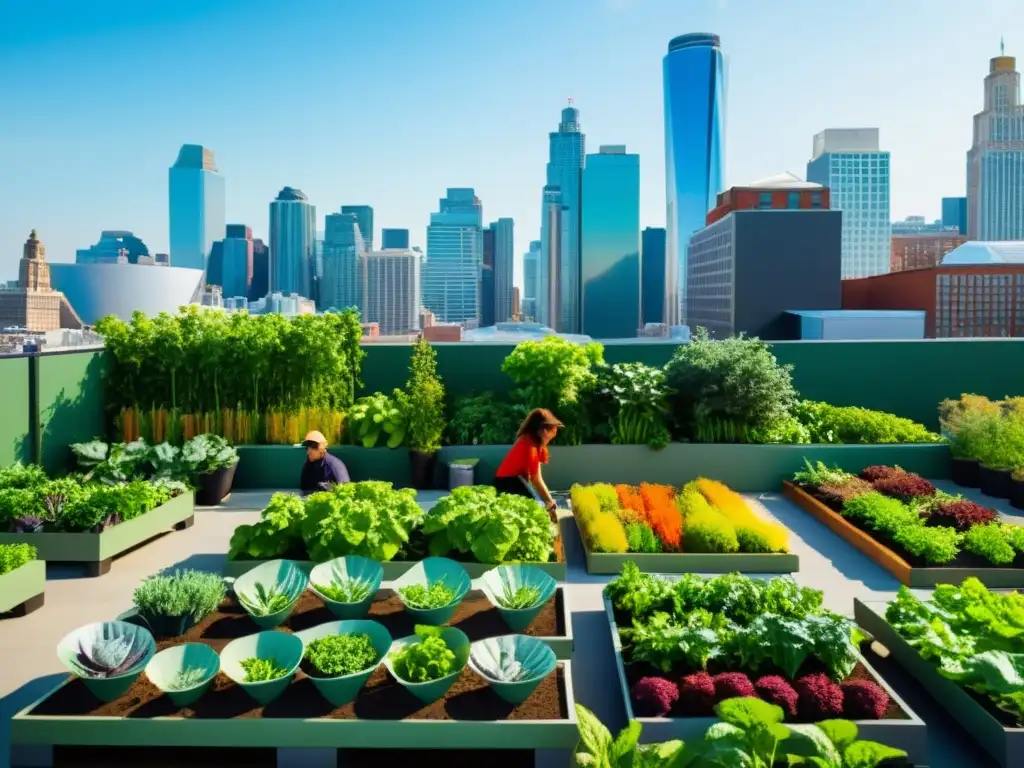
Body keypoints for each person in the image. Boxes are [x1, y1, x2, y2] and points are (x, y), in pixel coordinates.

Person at [494, 408, 563, 522]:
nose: (555, 434)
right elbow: (536, 479)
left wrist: (549, 502)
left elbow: (536, 476)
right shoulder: (529, 444)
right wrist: (550, 503)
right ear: (545, 431)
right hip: (507, 482)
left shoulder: (534, 443)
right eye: (554, 432)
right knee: (534, 511)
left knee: (538, 507)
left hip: (515, 480)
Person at [298, 430, 351, 495]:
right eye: (307, 447)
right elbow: (304, 489)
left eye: (313, 447)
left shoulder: (335, 465)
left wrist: (330, 488)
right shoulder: (308, 466)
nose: (309, 451)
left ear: (321, 449)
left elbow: (346, 489)